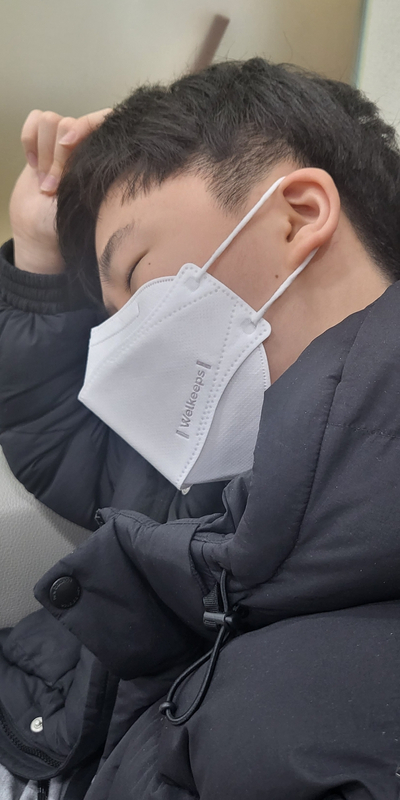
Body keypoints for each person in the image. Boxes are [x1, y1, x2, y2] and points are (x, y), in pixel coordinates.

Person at [1, 57, 400, 800]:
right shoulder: (224, 439)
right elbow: (65, 445)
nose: (129, 340)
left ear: (299, 213)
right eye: (113, 320)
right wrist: (38, 249)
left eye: (136, 274)